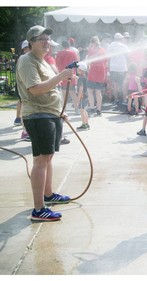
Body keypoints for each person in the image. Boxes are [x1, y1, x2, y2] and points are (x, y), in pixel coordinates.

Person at [16, 25, 75, 221]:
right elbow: (34, 89)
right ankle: (38, 209)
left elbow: (51, 89)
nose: (46, 42)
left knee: (48, 158)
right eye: (41, 39)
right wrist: (60, 76)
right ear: (31, 42)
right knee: (41, 160)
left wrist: (60, 111)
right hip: (38, 115)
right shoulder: (26, 61)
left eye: (48, 39)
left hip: (50, 114)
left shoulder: (44, 62)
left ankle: (48, 196)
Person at [55, 40, 79, 114]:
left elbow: (57, 64)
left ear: (62, 46)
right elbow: (76, 64)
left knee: (64, 95)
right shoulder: (73, 53)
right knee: (73, 94)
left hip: (62, 75)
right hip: (71, 75)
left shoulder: (59, 53)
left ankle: (64, 110)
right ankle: (76, 109)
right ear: (69, 46)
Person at [86, 35, 107, 117]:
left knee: (90, 91)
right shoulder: (103, 50)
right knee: (98, 92)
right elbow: (105, 61)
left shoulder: (91, 50)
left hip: (93, 71)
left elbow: (89, 60)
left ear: (92, 43)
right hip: (101, 71)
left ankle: (92, 108)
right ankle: (99, 110)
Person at [108, 33, 129, 106]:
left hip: (113, 67)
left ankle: (116, 100)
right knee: (123, 84)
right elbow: (128, 55)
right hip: (122, 68)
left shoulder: (110, 46)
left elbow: (108, 56)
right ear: (120, 39)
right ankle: (124, 100)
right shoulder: (123, 46)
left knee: (115, 84)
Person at [76, 62, 90, 130]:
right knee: (85, 110)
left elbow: (81, 89)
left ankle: (84, 125)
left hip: (82, 96)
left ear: (80, 69)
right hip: (86, 95)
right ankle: (87, 124)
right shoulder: (84, 76)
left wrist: (78, 100)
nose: (76, 69)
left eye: (77, 68)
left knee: (82, 111)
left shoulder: (80, 78)